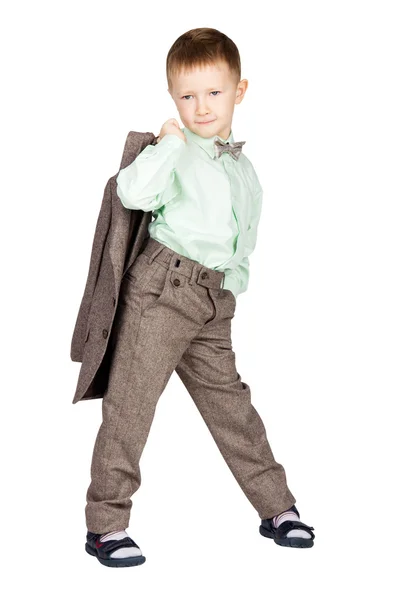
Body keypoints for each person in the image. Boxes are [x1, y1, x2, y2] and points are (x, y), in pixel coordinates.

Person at [84, 27, 315, 568]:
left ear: (240, 91)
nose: (201, 106)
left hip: (212, 302)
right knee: (131, 408)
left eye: (213, 92)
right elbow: (131, 192)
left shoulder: (242, 166)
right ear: (173, 99)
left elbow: (242, 232)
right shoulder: (176, 151)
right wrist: (167, 143)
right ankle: (106, 526)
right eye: (187, 96)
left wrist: (232, 285)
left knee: (232, 405)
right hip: (161, 295)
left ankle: (277, 508)